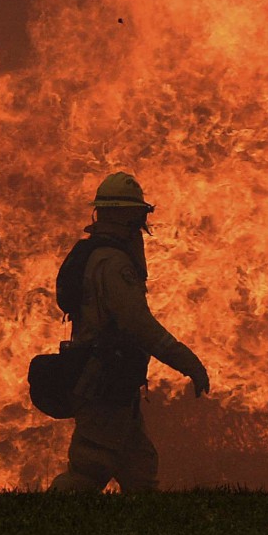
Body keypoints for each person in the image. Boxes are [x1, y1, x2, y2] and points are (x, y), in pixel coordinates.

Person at [49, 172, 209, 493]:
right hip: (103, 383)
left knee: (140, 470)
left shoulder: (98, 255)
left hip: (116, 384)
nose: (142, 223)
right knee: (89, 468)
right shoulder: (113, 264)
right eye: (137, 214)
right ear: (123, 214)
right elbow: (138, 325)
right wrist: (188, 361)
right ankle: (43, 530)